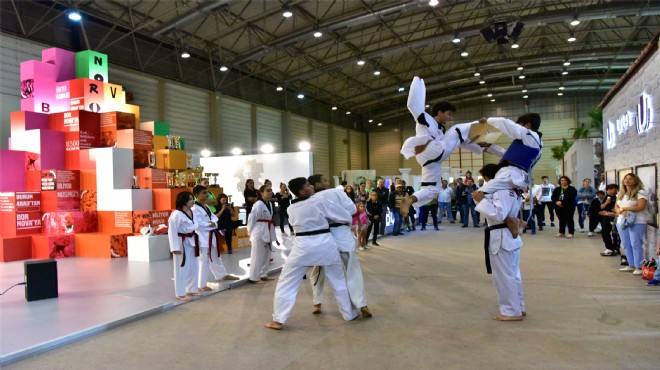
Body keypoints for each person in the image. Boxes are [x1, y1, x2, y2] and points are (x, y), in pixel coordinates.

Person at [265, 177, 358, 330]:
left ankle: (278, 320)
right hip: (324, 243)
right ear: (302, 191)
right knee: (338, 279)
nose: (312, 186)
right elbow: (343, 215)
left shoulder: (290, 208)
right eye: (308, 185)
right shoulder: (319, 201)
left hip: (302, 246)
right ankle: (349, 314)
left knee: (287, 281)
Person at [399, 79, 486, 219]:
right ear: (439, 112)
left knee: (433, 189)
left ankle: (410, 199)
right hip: (432, 149)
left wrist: (476, 145)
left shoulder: (441, 129)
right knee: (457, 129)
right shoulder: (425, 118)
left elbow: (457, 141)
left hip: (428, 160)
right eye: (449, 114)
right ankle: (478, 131)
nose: (450, 117)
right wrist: (418, 82)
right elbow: (412, 104)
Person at [474, 113, 543, 237]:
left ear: (527, 125)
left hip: (510, 174)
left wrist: (488, 120)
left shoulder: (530, 136)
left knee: (477, 195)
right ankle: (515, 221)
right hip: (515, 177)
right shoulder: (531, 144)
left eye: (519, 125)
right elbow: (507, 154)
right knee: (506, 201)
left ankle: (511, 221)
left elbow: (505, 123)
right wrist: (489, 146)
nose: (517, 127)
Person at [473, 164, 525, 321]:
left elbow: (498, 213)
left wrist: (480, 201)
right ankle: (519, 307)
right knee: (514, 274)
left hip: (501, 235)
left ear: (489, 178)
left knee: (504, 276)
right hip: (508, 236)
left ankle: (510, 311)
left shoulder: (501, 191)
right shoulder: (513, 191)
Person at [192, 186, 238, 291]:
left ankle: (222, 275)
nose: (206, 194)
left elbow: (214, 217)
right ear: (197, 195)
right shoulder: (194, 209)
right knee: (204, 261)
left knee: (216, 256)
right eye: (204, 193)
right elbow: (197, 224)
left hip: (211, 235)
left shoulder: (206, 206)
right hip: (203, 237)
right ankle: (201, 284)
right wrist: (210, 224)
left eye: (207, 192)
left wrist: (213, 223)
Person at [167, 191, 201, 302]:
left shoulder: (193, 212)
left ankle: (191, 289)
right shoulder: (176, 214)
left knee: (194, 265)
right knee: (181, 268)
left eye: (192, 198)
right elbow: (172, 231)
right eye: (190, 199)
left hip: (192, 241)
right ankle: (180, 293)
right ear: (184, 201)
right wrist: (174, 247)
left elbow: (196, 225)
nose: (193, 201)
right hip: (181, 242)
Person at [614, 173, 649, 275]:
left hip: (637, 221)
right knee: (626, 244)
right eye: (626, 178)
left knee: (636, 243)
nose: (627, 180)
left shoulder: (640, 192)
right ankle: (631, 264)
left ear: (636, 181)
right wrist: (620, 211)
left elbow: (640, 207)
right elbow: (616, 207)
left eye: (630, 179)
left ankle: (639, 266)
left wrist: (625, 209)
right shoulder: (620, 193)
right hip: (622, 221)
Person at [247, 184, 278, 284]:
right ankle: (254, 278)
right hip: (259, 230)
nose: (270, 192)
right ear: (261, 193)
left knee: (266, 253)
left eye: (271, 190)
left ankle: (263, 274)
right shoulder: (258, 204)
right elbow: (251, 219)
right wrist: (250, 232)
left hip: (268, 229)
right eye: (267, 190)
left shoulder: (269, 204)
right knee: (257, 255)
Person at [598, 184, 621, 256]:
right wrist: (606, 203)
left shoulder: (618, 197)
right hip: (605, 217)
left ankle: (615, 248)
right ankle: (609, 248)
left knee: (615, 234)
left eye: (612, 189)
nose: (609, 191)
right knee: (605, 232)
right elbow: (601, 207)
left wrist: (612, 212)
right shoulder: (607, 197)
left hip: (614, 218)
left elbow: (617, 209)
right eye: (608, 190)